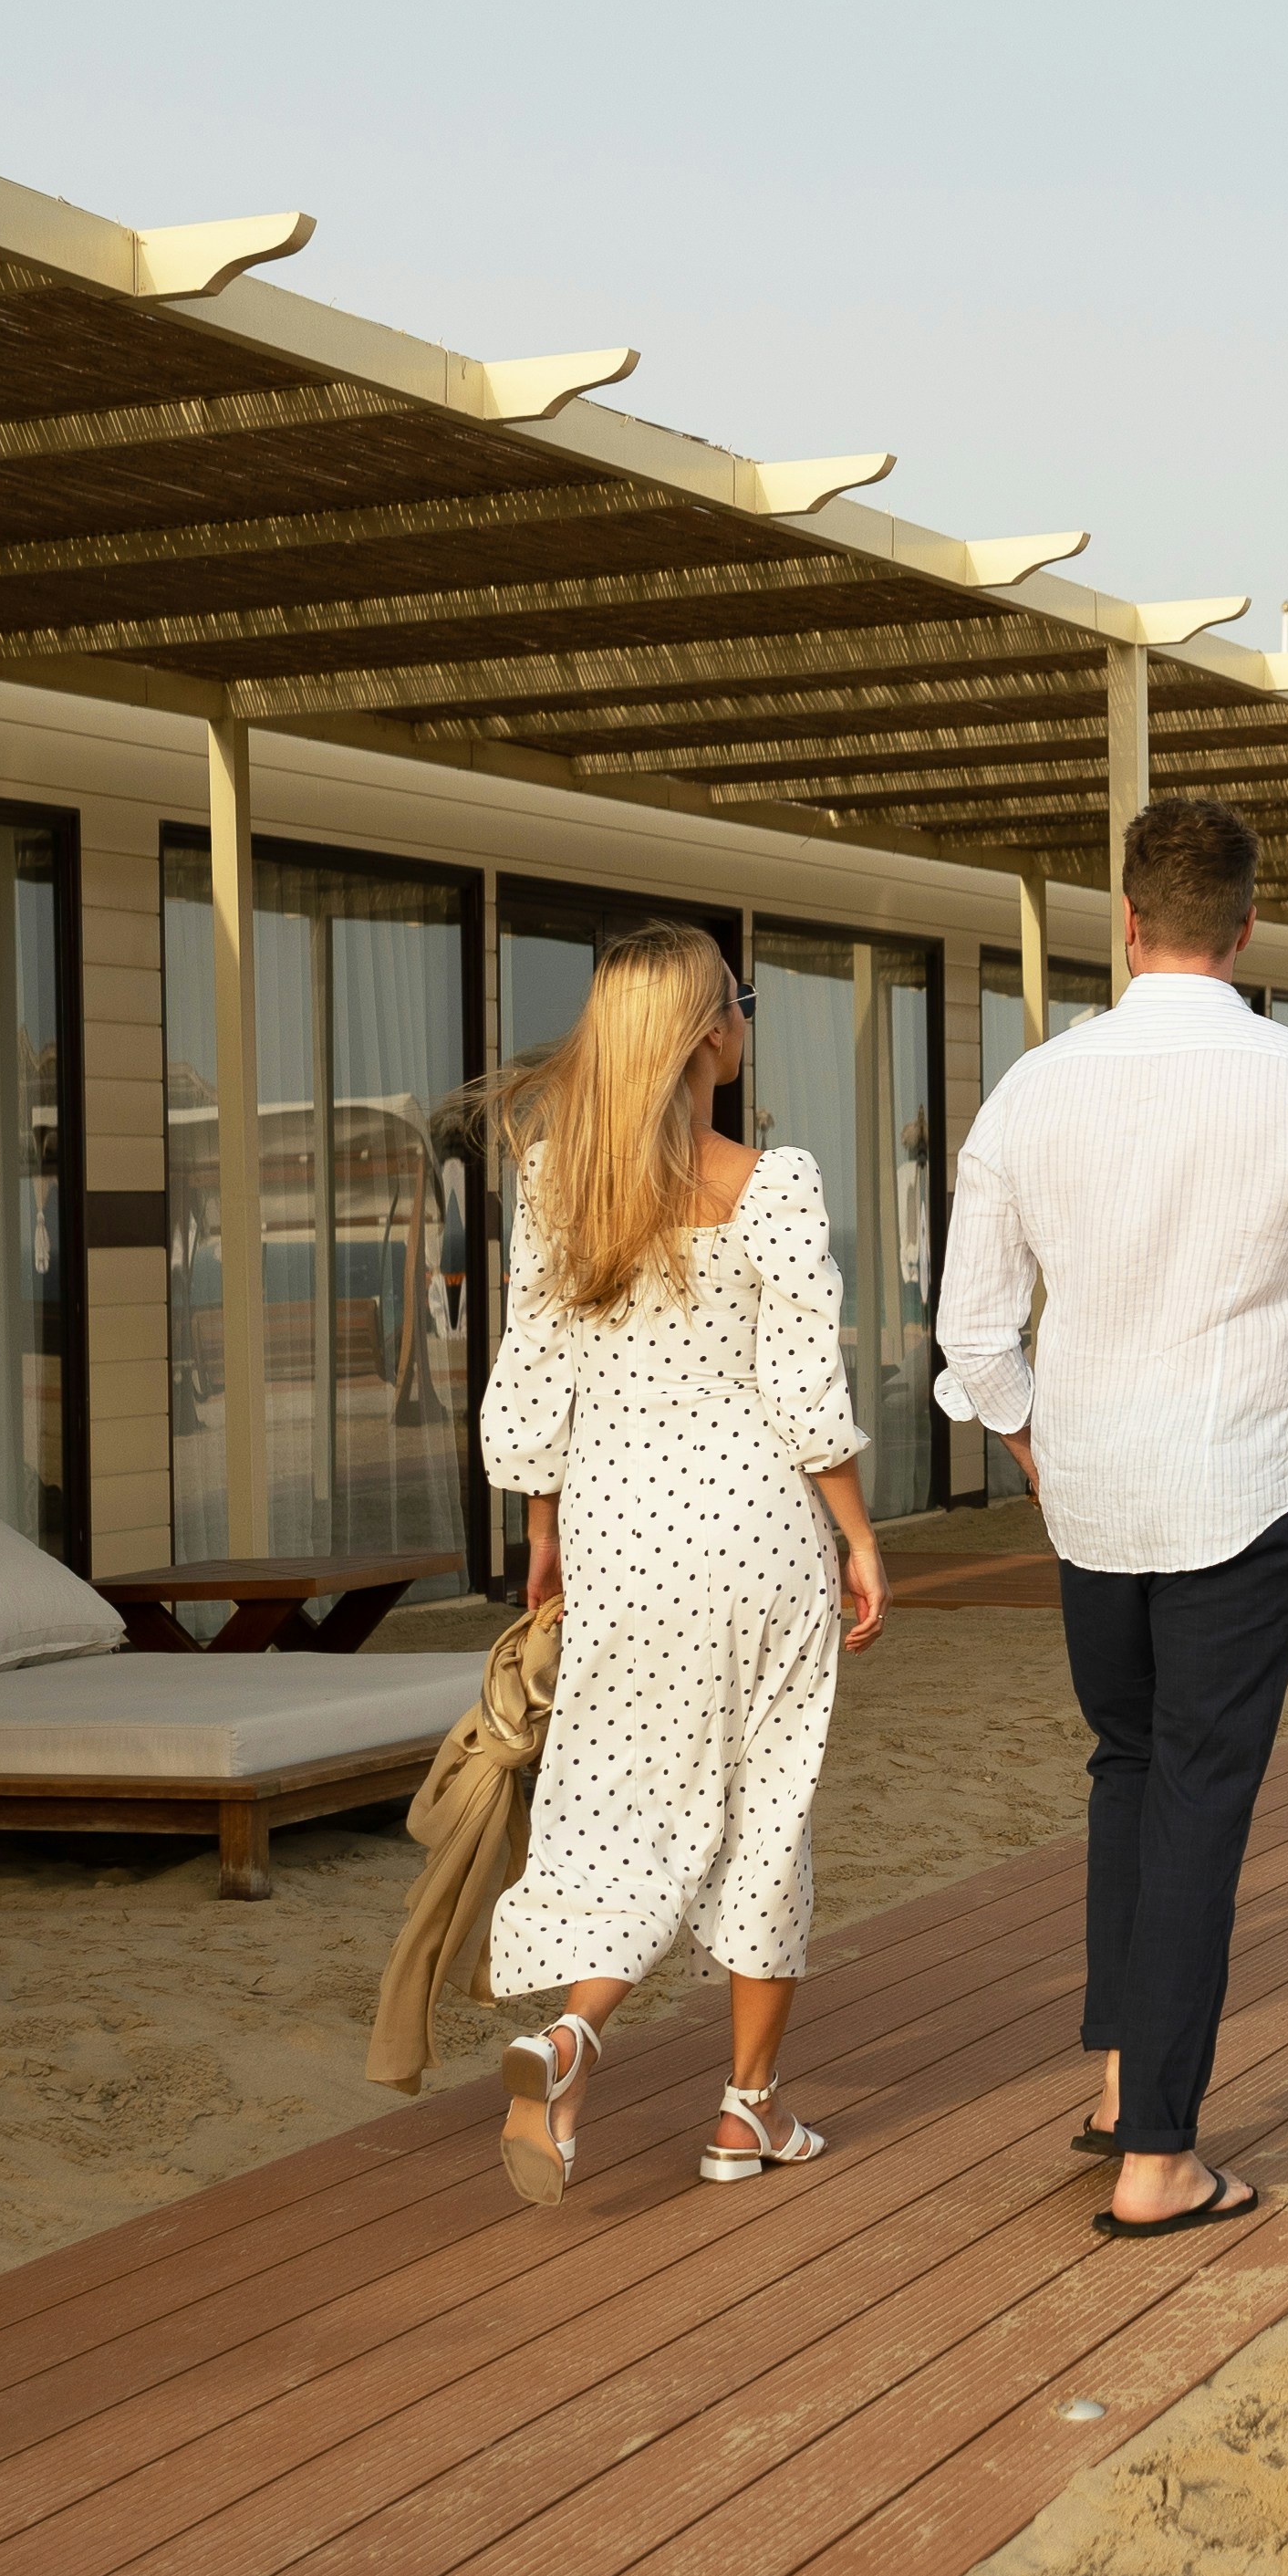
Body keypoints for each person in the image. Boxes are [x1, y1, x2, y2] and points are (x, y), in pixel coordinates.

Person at [932, 796, 1288, 2237]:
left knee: (1127, 1766)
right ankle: (1160, 2153)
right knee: (1197, 1800)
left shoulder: (1035, 1086)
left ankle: (1112, 2083)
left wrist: (1036, 1445)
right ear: (1249, 929)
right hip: (1236, 1489)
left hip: (1092, 1501)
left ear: (1128, 925)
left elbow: (970, 1331)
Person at [476, 923, 891, 2204]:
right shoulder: (769, 1184)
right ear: (713, 1033)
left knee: (625, 1804)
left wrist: (543, 1538)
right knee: (762, 1810)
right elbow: (804, 1388)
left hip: (616, 1529)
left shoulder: (554, 1186)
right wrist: (860, 1533)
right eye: (744, 1004)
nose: (747, 1023)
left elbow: (531, 1384)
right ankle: (743, 2114)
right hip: (754, 1528)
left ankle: (573, 2035)